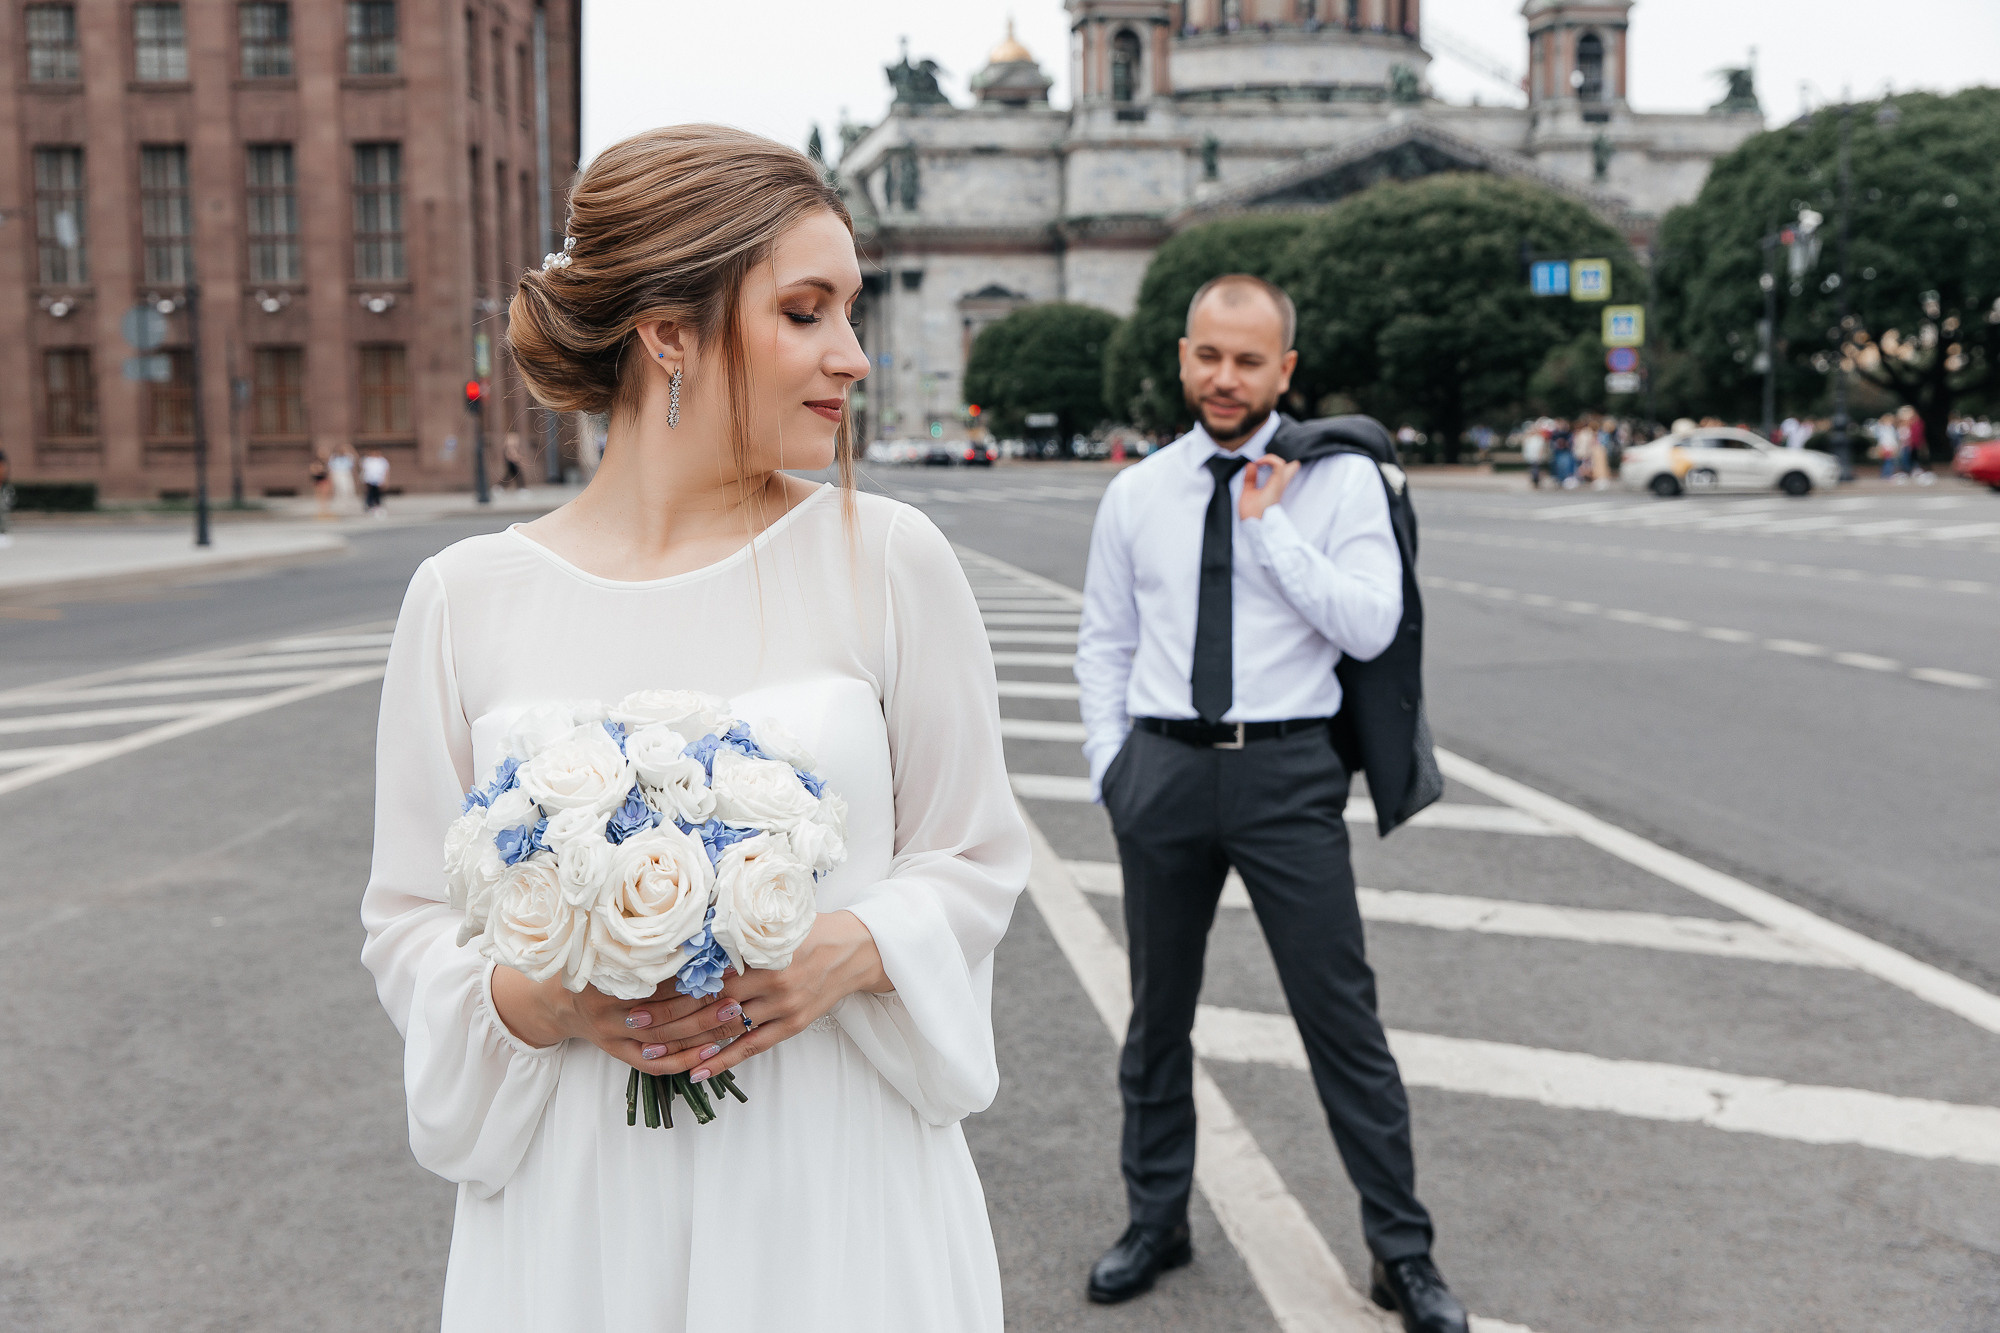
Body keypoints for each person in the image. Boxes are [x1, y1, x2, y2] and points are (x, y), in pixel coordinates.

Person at [360, 125, 1029, 1332]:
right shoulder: (463, 599)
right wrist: (540, 999)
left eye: (850, 312)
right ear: (668, 332)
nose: (853, 357)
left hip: (832, 1189)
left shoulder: (885, 559)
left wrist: (847, 947)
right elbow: (408, 921)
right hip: (577, 1210)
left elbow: (975, 858)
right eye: (806, 313)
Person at [1074, 274, 1467, 1333]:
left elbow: (1372, 626)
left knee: (1341, 1021)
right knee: (1154, 1018)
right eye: (1208, 354)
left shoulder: (1340, 486)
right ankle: (1155, 1219)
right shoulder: (1137, 492)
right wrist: (1111, 765)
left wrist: (1271, 531)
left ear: (1284, 370)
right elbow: (1103, 640)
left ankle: (1402, 1253)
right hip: (1159, 771)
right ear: (1181, 355)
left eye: (1249, 360)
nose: (1224, 377)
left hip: (1286, 775)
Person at [360, 448, 390, 515]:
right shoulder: (367, 460)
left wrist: (385, 480)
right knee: (370, 493)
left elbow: (386, 471)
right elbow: (364, 470)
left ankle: (378, 505)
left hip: (378, 479)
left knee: (378, 493)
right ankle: (369, 505)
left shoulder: (382, 461)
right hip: (369, 479)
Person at [1521, 420, 1547, 489]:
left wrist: (1540, 455)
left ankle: (1537, 481)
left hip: (1536, 456)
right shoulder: (1528, 438)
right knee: (1532, 469)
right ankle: (1534, 481)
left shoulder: (1539, 438)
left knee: (1536, 470)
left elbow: (1541, 448)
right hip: (1530, 456)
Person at [308, 452, 332, 517]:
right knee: (319, 496)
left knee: (325, 495)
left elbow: (328, 472)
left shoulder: (327, 463)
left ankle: (325, 509)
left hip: (324, 480)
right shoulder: (315, 463)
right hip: (318, 481)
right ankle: (321, 509)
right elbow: (313, 471)